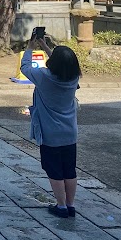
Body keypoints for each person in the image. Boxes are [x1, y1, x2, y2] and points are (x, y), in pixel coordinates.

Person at [21, 31, 82, 218]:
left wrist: (31, 47)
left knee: (54, 170)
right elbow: (61, 65)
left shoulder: (44, 76)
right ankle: (70, 205)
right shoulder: (73, 79)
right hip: (70, 133)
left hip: (50, 134)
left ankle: (61, 206)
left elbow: (25, 67)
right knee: (69, 170)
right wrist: (46, 47)